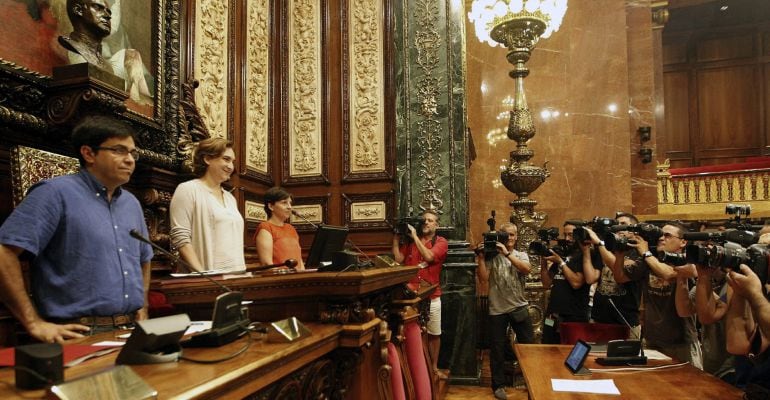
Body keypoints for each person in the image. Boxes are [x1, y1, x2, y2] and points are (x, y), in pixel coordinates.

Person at [0, 115, 153, 343]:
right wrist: (33, 323)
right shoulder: (53, 194)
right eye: (119, 151)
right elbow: (4, 253)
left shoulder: (131, 203)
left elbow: (144, 259)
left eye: (133, 153)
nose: (130, 160)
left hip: (131, 329)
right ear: (89, 153)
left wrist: (143, 305)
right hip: (78, 333)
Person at [628, 221, 703, 369]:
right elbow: (621, 277)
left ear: (683, 242)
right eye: (661, 235)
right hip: (652, 340)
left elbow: (668, 273)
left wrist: (646, 252)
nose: (661, 238)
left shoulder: (689, 262)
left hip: (681, 342)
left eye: (667, 235)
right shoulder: (651, 260)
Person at [475, 223, 534, 400]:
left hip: (519, 306)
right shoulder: (492, 256)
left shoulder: (521, 255)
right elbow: (484, 279)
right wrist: (480, 258)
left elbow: (526, 269)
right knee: (497, 350)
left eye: (512, 235)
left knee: (528, 347)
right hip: (497, 309)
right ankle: (498, 385)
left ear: (516, 237)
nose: (509, 238)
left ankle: (531, 379)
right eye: (505, 235)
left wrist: (507, 254)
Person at [169, 137, 245, 273]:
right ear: (207, 159)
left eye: (232, 161)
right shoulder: (187, 189)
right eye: (226, 159)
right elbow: (181, 238)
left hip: (237, 275)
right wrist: (202, 275)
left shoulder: (230, 198)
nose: (231, 167)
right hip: (207, 279)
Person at [392, 210, 448, 378]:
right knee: (412, 333)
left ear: (436, 225)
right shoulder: (409, 242)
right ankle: (414, 371)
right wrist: (395, 239)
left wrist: (415, 237)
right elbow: (398, 259)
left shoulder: (441, 241)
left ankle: (433, 369)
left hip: (432, 296)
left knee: (434, 333)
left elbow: (429, 256)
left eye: (430, 220)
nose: (426, 223)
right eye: (424, 220)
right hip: (410, 297)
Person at [540, 221, 602, 344]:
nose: (567, 239)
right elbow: (546, 283)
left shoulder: (587, 256)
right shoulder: (563, 253)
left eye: (571, 235)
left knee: (571, 352)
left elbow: (576, 283)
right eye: (565, 235)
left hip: (573, 315)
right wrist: (543, 262)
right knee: (548, 349)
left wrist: (561, 263)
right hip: (552, 314)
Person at [587, 213, 644, 338]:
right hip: (600, 318)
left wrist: (599, 243)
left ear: (634, 230)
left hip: (625, 320)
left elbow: (620, 270)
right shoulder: (607, 249)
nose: (618, 228)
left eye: (623, 225)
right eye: (616, 224)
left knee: (626, 357)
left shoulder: (639, 252)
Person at [255, 187, 304, 270]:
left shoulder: (291, 228)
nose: (289, 207)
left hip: (297, 280)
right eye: (284, 203)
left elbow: (300, 261)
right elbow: (267, 264)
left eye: (290, 203)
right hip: (279, 280)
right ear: (271, 206)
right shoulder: (265, 228)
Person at [58, 0, 114, 73]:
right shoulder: (74, 47)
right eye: (98, 7)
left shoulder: (108, 67)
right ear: (78, 10)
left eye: (108, 12)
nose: (108, 16)